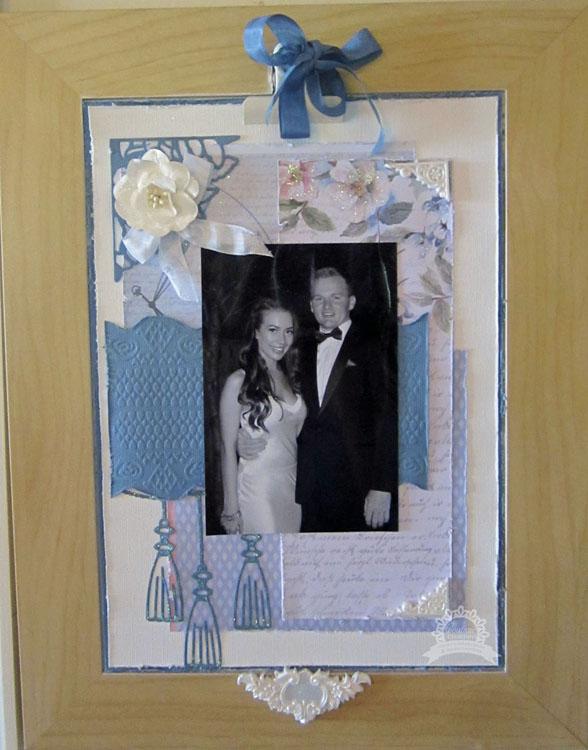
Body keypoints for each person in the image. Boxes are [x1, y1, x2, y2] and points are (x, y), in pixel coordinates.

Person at [240, 267, 397, 533]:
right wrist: (242, 434)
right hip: (307, 486)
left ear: (351, 302)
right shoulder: (295, 348)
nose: (326, 306)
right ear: (311, 305)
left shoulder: (376, 344)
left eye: (336, 298)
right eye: (319, 299)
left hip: (360, 486)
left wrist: (382, 486)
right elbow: (268, 399)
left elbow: (389, 415)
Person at [219, 298, 307, 534]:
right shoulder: (238, 381)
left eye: (288, 331)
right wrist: (230, 509)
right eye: (273, 330)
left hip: (292, 489)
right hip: (258, 491)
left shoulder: (293, 377)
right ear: (257, 332)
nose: (282, 340)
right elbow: (227, 448)